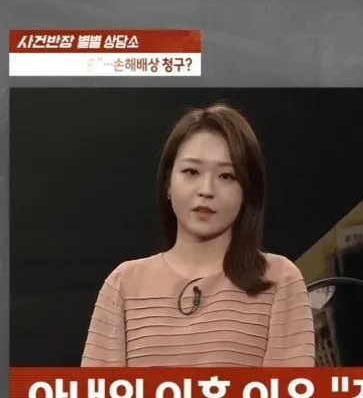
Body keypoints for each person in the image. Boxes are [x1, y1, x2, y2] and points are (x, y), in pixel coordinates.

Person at [81, 103, 316, 367]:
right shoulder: (124, 284)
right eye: (191, 172)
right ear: (168, 182)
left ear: (247, 191)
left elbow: (288, 392)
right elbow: (98, 393)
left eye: (227, 176)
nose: (206, 189)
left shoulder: (279, 280)